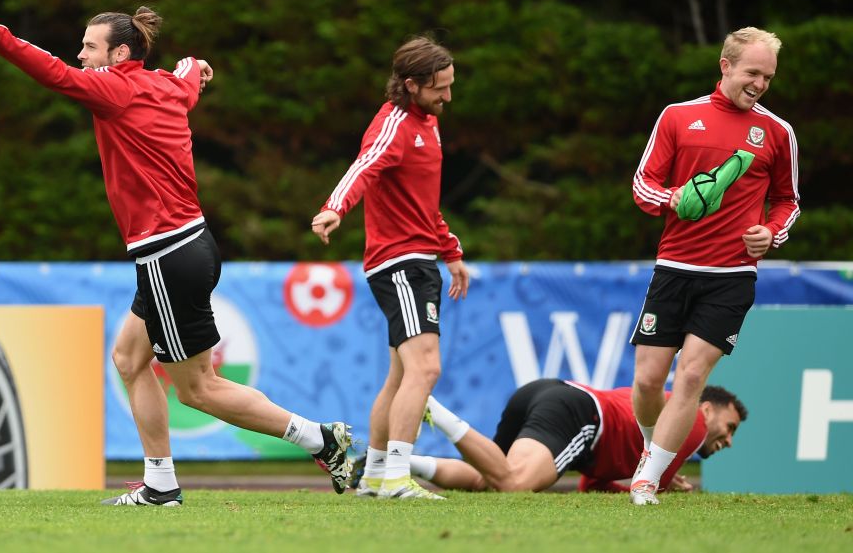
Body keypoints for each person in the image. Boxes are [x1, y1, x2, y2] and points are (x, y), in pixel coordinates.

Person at [0, 0, 353, 505]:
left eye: (89, 47)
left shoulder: (114, 89)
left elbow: (51, 71)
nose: (80, 54)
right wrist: (196, 63)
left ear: (120, 54)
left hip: (168, 253)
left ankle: (320, 439)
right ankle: (161, 483)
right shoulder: (166, 86)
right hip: (189, 246)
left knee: (198, 389)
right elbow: (187, 75)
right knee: (128, 359)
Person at [628, 27, 800, 505]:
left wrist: (773, 232)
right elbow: (643, 186)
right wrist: (673, 197)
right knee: (646, 379)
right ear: (725, 66)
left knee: (690, 376)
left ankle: (647, 481)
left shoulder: (777, 132)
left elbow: (788, 201)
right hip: (675, 267)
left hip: (732, 276)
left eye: (768, 76)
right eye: (752, 73)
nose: (760, 84)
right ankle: (652, 447)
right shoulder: (679, 117)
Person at [311, 36, 469, 500]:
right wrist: (334, 207)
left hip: (420, 259)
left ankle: (378, 475)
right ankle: (399, 479)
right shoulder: (395, 123)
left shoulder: (428, 124)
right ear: (411, 84)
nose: (448, 97)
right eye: (440, 88)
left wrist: (452, 251)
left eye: (450, 85)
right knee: (426, 369)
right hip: (399, 264)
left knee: (401, 375)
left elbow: (423, 204)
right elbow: (363, 167)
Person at [374, 380, 745, 494]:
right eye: (729, 428)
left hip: (550, 394)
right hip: (579, 413)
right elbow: (647, 488)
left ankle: (394, 464)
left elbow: (590, 483)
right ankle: (434, 409)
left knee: (487, 478)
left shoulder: (658, 438)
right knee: (515, 485)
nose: (727, 440)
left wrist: (658, 478)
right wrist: (666, 484)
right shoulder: (692, 419)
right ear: (708, 409)